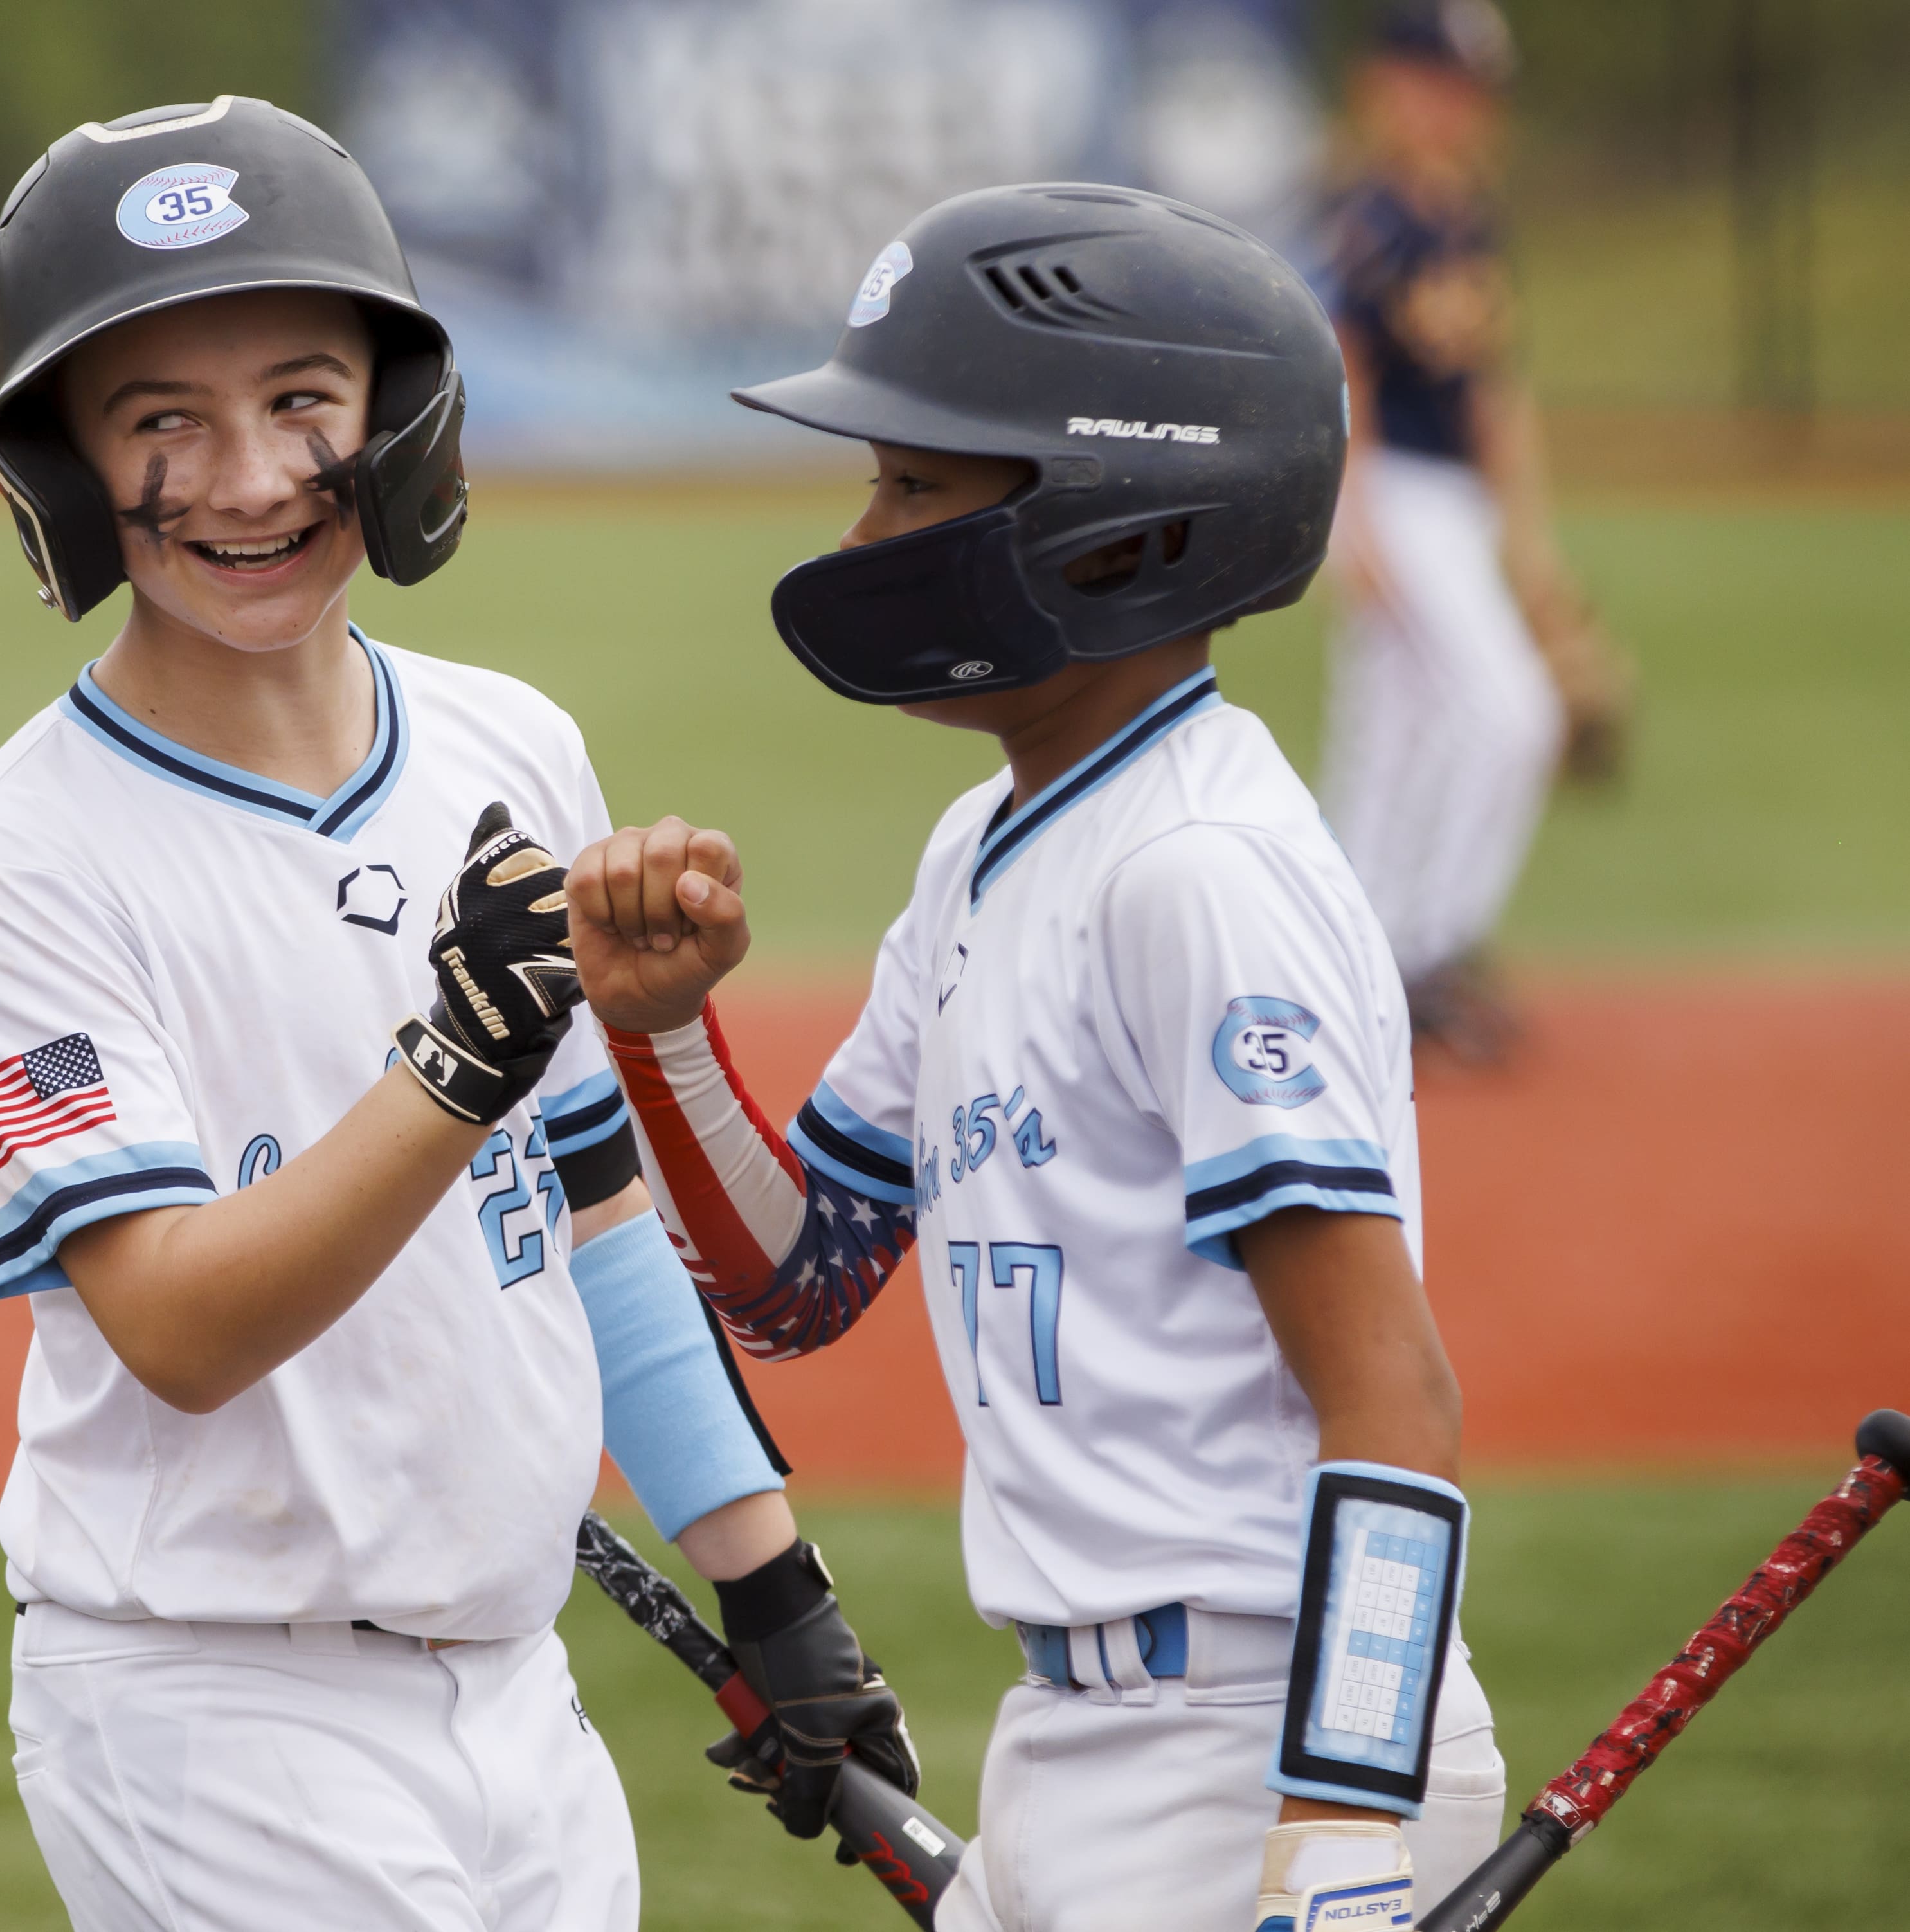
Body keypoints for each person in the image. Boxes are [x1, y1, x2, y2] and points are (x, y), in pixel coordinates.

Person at [0, 98, 914, 1932]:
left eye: (301, 398)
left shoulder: (507, 744)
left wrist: (776, 1593)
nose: (251, 477)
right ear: (60, 470)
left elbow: (590, 1213)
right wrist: (453, 1062)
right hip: (213, 1707)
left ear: (396, 412)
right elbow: (179, 1326)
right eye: (159, 423)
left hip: (517, 1695)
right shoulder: (13, 865)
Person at [566, 183, 1509, 1931]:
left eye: (916, 484)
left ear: (1122, 522)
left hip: (1257, 1745)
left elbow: (1393, 1394)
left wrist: (1338, 1835)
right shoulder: (991, 844)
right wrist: (660, 1029)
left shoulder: (1195, 872)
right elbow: (798, 1273)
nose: (864, 534)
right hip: (1079, 1741)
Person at [1319, 0, 1630, 1063]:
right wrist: (1349, 521)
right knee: (1507, 714)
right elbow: (1343, 373)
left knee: (1399, 730)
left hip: (1454, 503)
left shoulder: (1468, 219)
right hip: (1391, 491)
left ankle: (1365, 957)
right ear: (1391, 86)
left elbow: (1497, 392)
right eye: (1443, 83)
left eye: (1472, 89)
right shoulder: (1370, 219)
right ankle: (1422, 949)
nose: (1460, 107)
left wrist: (1531, 547)